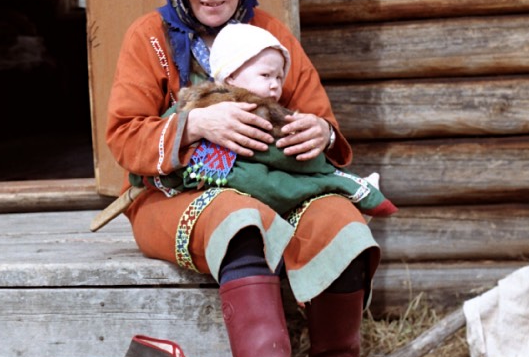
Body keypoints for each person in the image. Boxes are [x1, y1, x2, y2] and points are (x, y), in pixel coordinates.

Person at [107, 0, 386, 357]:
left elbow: (322, 120)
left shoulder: (269, 33)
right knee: (239, 219)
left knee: (341, 220)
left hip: (274, 183)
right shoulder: (149, 37)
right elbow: (122, 135)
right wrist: (196, 123)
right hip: (173, 195)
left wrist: (320, 131)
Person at [152, 23, 397, 218]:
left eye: (279, 78)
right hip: (235, 180)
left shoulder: (194, 100)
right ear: (232, 75)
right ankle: (341, 184)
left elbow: (168, 123)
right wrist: (317, 162)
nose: (275, 85)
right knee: (282, 186)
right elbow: (282, 154)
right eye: (266, 75)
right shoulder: (259, 110)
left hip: (206, 176)